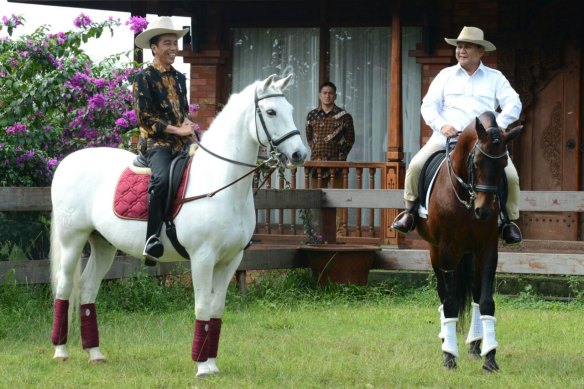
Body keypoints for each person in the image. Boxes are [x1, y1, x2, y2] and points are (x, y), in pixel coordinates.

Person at [391, 26, 523, 245]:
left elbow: (514, 103)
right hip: (446, 138)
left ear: (481, 51)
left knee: (511, 177)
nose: (461, 50)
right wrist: (442, 125)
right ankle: (410, 212)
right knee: (415, 166)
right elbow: (428, 105)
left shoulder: (495, 78)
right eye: (459, 46)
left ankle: (508, 222)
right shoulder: (445, 76)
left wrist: (495, 127)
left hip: (484, 143)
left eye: (467, 47)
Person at [133, 17, 197, 261]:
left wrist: (187, 125)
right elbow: (145, 119)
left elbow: (182, 111)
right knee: (160, 181)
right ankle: (152, 239)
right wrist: (176, 130)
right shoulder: (144, 77)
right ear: (155, 48)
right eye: (168, 43)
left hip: (183, 142)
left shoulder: (180, 78)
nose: (173, 48)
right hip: (156, 144)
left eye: (175, 43)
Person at [305, 81, 355, 235]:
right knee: (315, 200)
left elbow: (350, 139)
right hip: (315, 166)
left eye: (330, 93)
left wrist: (339, 156)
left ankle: (340, 233)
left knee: (338, 200)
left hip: (337, 167)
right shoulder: (312, 115)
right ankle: (315, 233)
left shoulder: (344, 116)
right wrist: (317, 153)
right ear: (320, 95)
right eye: (324, 93)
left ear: (335, 96)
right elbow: (309, 138)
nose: (327, 96)